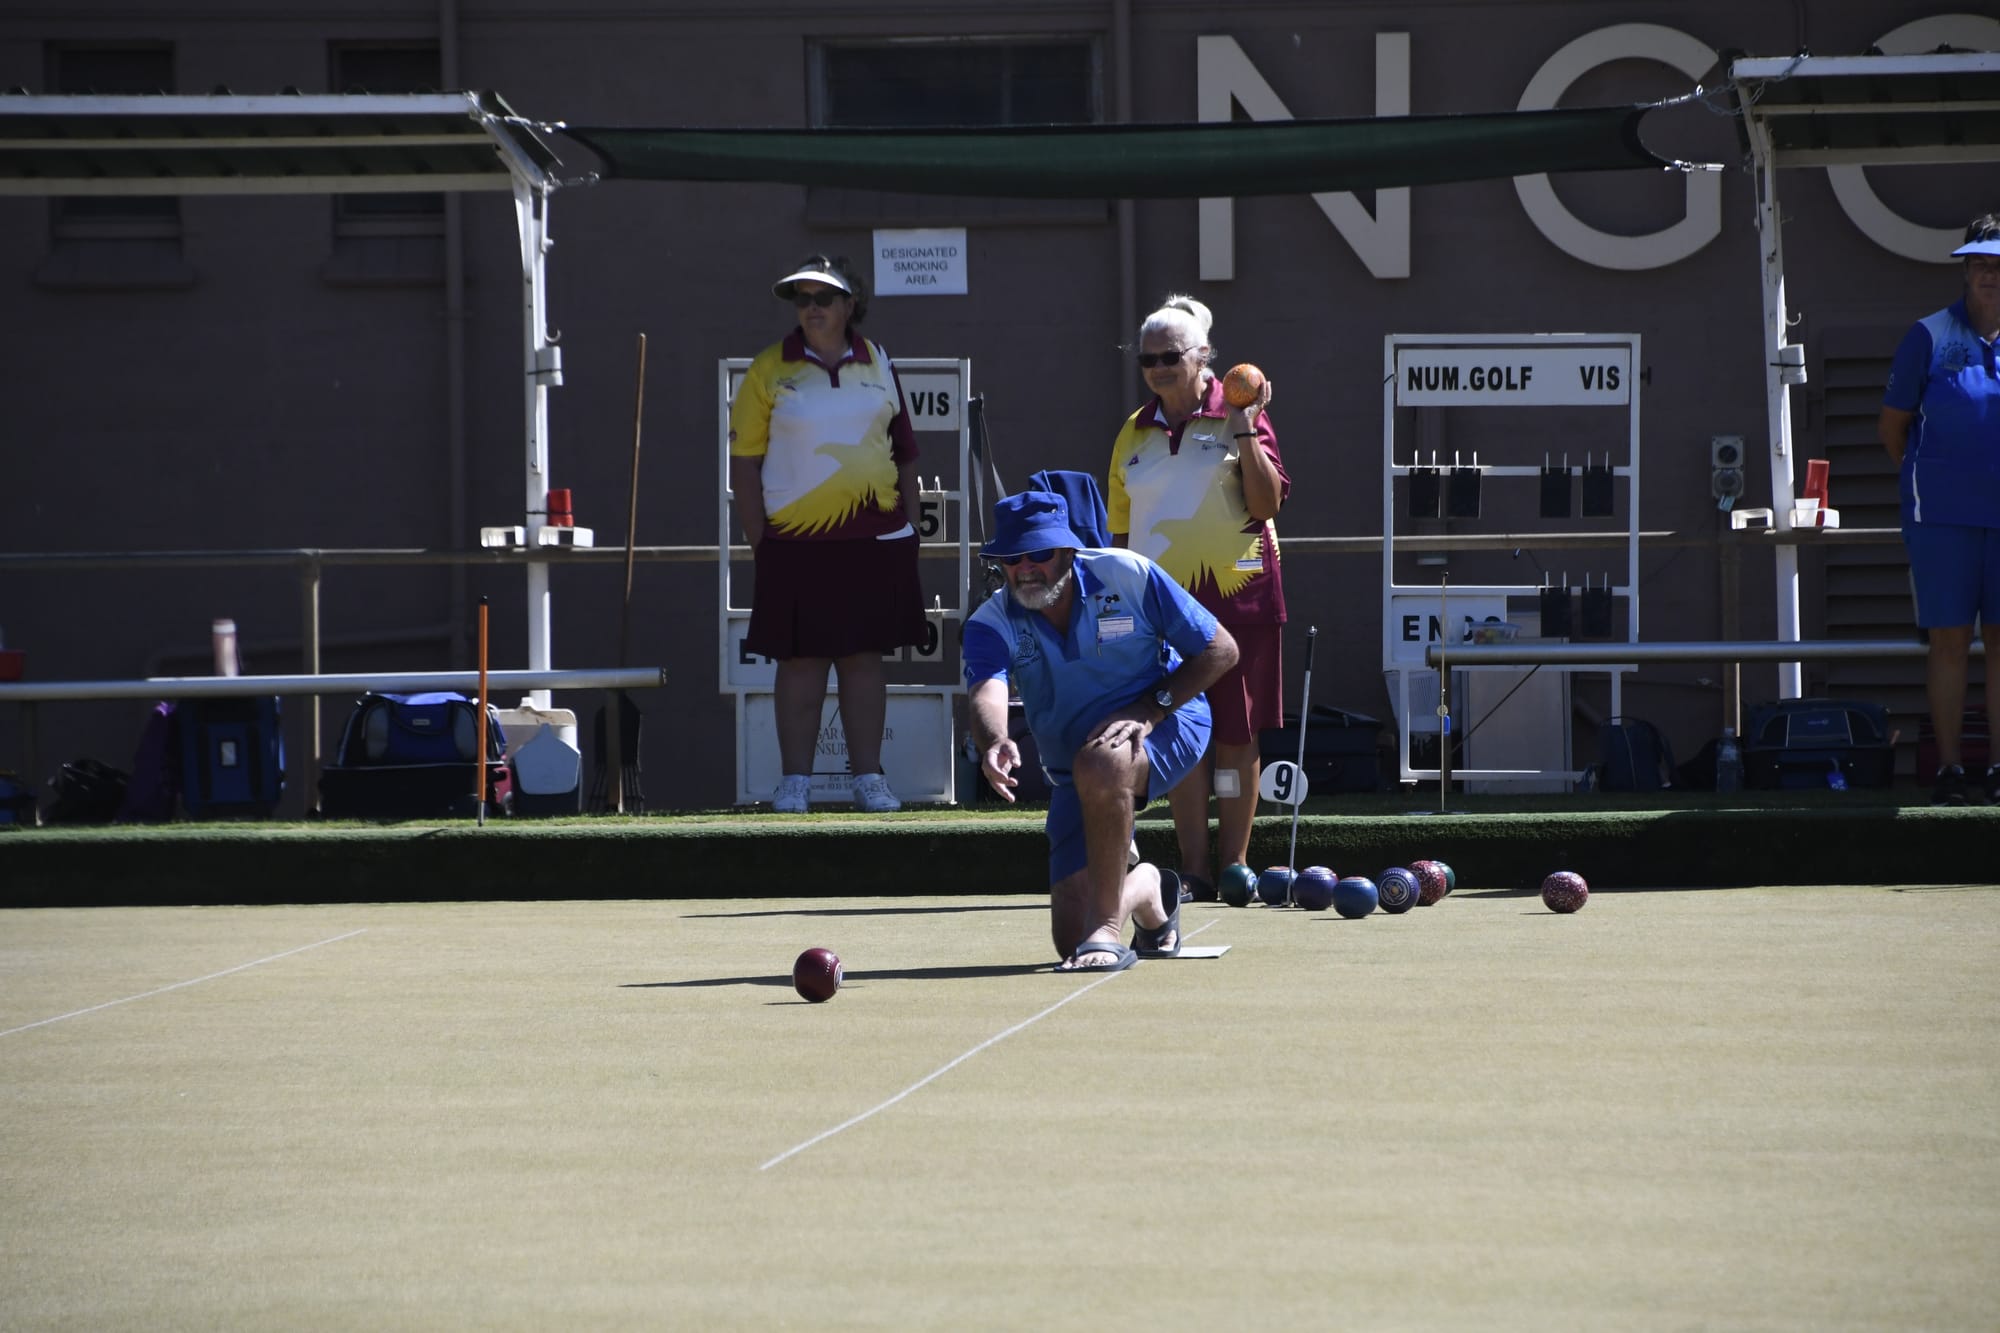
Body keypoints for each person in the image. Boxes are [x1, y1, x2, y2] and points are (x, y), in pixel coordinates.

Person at [964, 490, 1240, 971]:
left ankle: (1108, 929)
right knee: (1070, 939)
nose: (1025, 568)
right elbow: (987, 690)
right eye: (1012, 558)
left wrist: (1150, 708)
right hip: (1075, 766)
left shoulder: (1128, 574)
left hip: (1172, 720)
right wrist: (996, 739)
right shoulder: (990, 621)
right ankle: (1149, 891)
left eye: (1039, 554)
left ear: (1068, 551)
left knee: (1103, 762)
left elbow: (1221, 650)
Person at [729, 254, 928, 813]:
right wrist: (761, 541)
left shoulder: (880, 360)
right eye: (802, 299)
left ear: (848, 304)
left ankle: (869, 780)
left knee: (864, 660)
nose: (810, 308)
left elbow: (905, 452)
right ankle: (795, 783)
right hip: (794, 545)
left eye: (822, 297)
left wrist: (910, 530)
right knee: (800, 663)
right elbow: (744, 464)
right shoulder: (768, 368)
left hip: (876, 542)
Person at [1106, 294, 1289, 901]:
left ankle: (1234, 864)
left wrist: (1245, 426)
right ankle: (1194, 870)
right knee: (1179, 733)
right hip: (1160, 611)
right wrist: (1116, 608)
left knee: (1237, 733)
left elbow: (1267, 503)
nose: (1158, 368)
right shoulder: (1132, 432)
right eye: (1147, 359)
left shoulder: (1241, 414)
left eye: (1170, 356)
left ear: (1203, 355)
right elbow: (1119, 535)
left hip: (1240, 600)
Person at [1877, 213, 2000, 806]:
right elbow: (1892, 429)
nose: (1989, 275)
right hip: (1942, 519)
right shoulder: (1927, 336)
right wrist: (1933, 484)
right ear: (1965, 270)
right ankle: (1950, 769)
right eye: (1979, 264)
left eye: (1999, 265)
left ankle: (1998, 768)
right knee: (1949, 642)